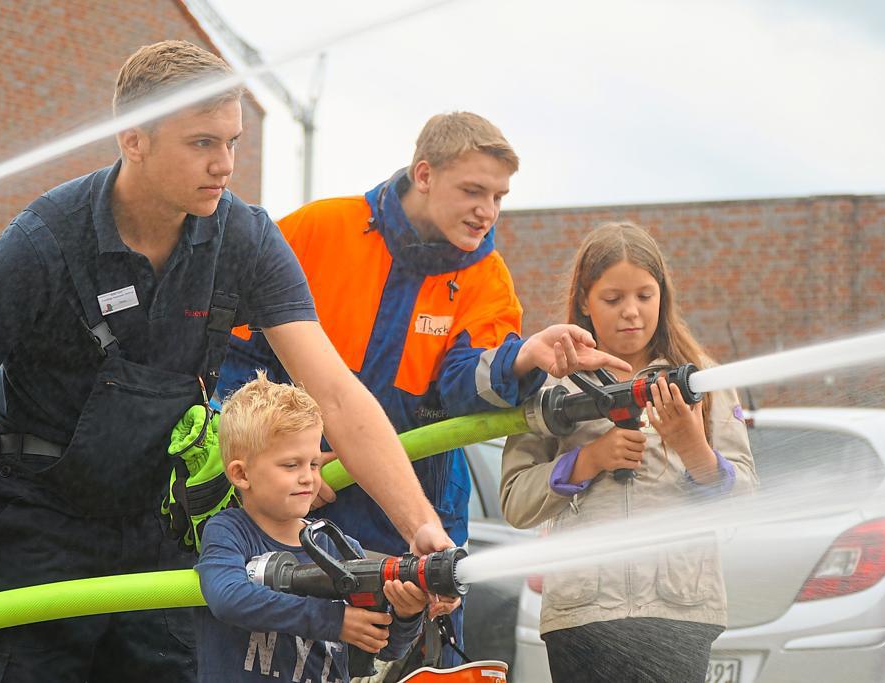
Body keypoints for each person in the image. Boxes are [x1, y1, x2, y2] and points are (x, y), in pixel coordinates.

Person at [0, 40, 451, 682]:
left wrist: (422, 528)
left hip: (163, 524)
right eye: (202, 143)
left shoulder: (246, 239)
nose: (224, 164)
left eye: (231, 141)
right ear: (133, 140)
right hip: (40, 528)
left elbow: (336, 394)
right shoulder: (42, 242)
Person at [216, 112, 631, 665]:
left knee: (415, 663)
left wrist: (526, 356)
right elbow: (235, 360)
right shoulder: (318, 230)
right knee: (293, 661)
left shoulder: (487, 276)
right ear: (425, 173)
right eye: (473, 190)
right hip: (302, 506)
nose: (487, 211)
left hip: (418, 513)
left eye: (500, 196)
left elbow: (465, 385)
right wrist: (281, 462)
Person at [499, 222, 758, 683]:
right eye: (612, 299)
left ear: (664, 294)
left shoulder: (704, 381)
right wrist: (588, 460)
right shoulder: (549, 384)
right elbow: (515, 502)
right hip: (582, 617)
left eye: (645, 295)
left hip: (679, 614)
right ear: (583, 300)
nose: (631, 313)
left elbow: (745, 505)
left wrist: (692, 447)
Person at [196, 372, 448, 682]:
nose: (308, 477)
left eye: (314, 464)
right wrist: (333, 621)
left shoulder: (336, 545)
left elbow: (383, 646)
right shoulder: (230, 532)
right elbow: (227, 597)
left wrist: (407, 614)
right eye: (292, 465)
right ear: (241, 474)